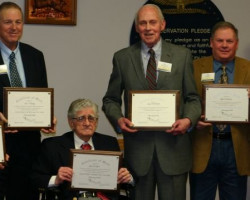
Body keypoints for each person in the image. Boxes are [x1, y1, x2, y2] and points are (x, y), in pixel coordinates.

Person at [102, 4, 201, 200]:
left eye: (153, 22)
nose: (148, 28)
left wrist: (188, 120)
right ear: (137, 27)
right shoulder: (122, 58)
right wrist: (119, 120)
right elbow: (110, 99)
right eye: (143, 23)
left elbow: (193, 99)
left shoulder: (182, 56)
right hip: (138, 154)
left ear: (162, 25)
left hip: (174, 151)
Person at [0, 2, 55, 200]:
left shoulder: (35, 56)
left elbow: (42, 96)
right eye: (7, 22)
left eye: (18, 22)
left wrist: (47, 118)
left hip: (28, 146)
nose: (14, 27)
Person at [190, 21, 250, 200]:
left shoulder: (248, 69)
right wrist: (193, 120)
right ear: (211, 43)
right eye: (220, 40)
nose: (224, 45)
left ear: (236, 44)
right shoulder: (194, 67)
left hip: (236, 149)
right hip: (203, 147)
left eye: (229, 41)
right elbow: (185, 102)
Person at [31, 98, 133, 200]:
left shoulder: (109, 143)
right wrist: (56, 179)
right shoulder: (53, 145)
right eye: (81, 118)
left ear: (96, 122)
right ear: (71, 122)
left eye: (91, 118)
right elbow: (35, 178)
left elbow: (126, 178)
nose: (87, 123)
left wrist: (127, 178)